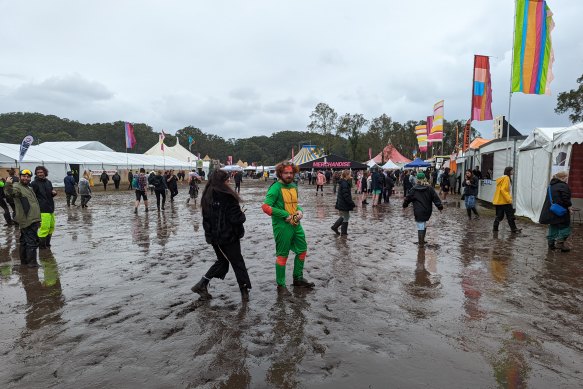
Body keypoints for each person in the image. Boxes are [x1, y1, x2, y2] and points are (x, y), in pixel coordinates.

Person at [191, 169, 251, 301]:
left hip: (214, 237)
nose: (229, 181)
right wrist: (242, 214)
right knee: (237, 262)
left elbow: (206, 218)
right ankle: (244, 291)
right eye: (227, 179)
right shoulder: (227, 196)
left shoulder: (207, 195)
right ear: (223, 181)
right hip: (228, 236)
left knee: (222, 261)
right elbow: (236, 218)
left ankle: (202, 284)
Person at [262, 162, 315, 295]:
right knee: (282, 255)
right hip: (282, 226)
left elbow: (295, 205)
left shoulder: (294, 186)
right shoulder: (275, 187)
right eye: (286, 173)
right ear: (280, 173)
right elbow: (266, 207)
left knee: (302, 250)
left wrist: (300, 211)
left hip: (296, 224)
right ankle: (281, 286)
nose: (289, 175)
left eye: (291, 173)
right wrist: (285, 215)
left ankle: (298, 278)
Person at [4, 169, 41, 267]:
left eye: (28, 176)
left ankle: (24, 262)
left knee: (25, 241)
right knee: (32, 242)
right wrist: (8, 184)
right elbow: (10, 193)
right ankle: (32, 264)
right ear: (20, 177)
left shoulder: (29, 188)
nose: (26, 178)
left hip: (32, 219)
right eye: (24, 176)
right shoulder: (17, 187)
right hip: (27, 219)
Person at [403, 172, 443, 248]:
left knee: (420, 225)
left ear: (417, 179)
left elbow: (408, 198)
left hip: (418, 210)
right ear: (425, 178)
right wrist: (440, 207)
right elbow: (436, 198)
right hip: (427, 210)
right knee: (423, 224)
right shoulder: (430, 188)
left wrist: (404, 205)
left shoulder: (413, 189)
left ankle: (421, 245)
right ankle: (422, 241)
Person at [539, 171, 572, 252]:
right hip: (561, 211)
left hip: (551, 210)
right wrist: (569, 207)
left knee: (553, 226)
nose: (567, 178)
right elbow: (566, 199)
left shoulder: (550, 186)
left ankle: (551, 244)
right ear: (563, 177)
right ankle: (560, 244)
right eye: (566, 177)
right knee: (566, 227)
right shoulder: (563, 186)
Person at [30, 166, 56, 249]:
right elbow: (31, 197)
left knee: (51, 227)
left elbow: (50, 193)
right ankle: (42, 247)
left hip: (50, 208)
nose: (40, 174)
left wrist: (53, 193)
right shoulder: (34, 184)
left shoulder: (48, 182)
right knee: (44, 228)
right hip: (42, 209)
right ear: (36, 174)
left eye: (41, 172)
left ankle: (48, 244)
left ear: (45, 172)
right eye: (38, 173)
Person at [493, 166, 521, 233]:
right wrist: (509, 199)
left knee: (499, 216)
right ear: (509, 171)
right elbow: (503, 189)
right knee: (510, 215)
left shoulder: (502, 178)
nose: (513, 172)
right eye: (512, 170)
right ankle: (513, 229)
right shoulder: (506, 178)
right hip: (505, 201)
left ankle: (495, 228)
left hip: (499, 201)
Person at [331, 170, 356, 236]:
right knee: (345, 217)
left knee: (345, 216)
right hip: (344, 203)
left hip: (342, 203)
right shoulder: (344, 183)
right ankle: (340, 230)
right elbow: (346, 195)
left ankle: (340, 230)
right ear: (347, 175)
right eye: (349, 174)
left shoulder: (343, 182)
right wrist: (351, 203)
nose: (350, 176)